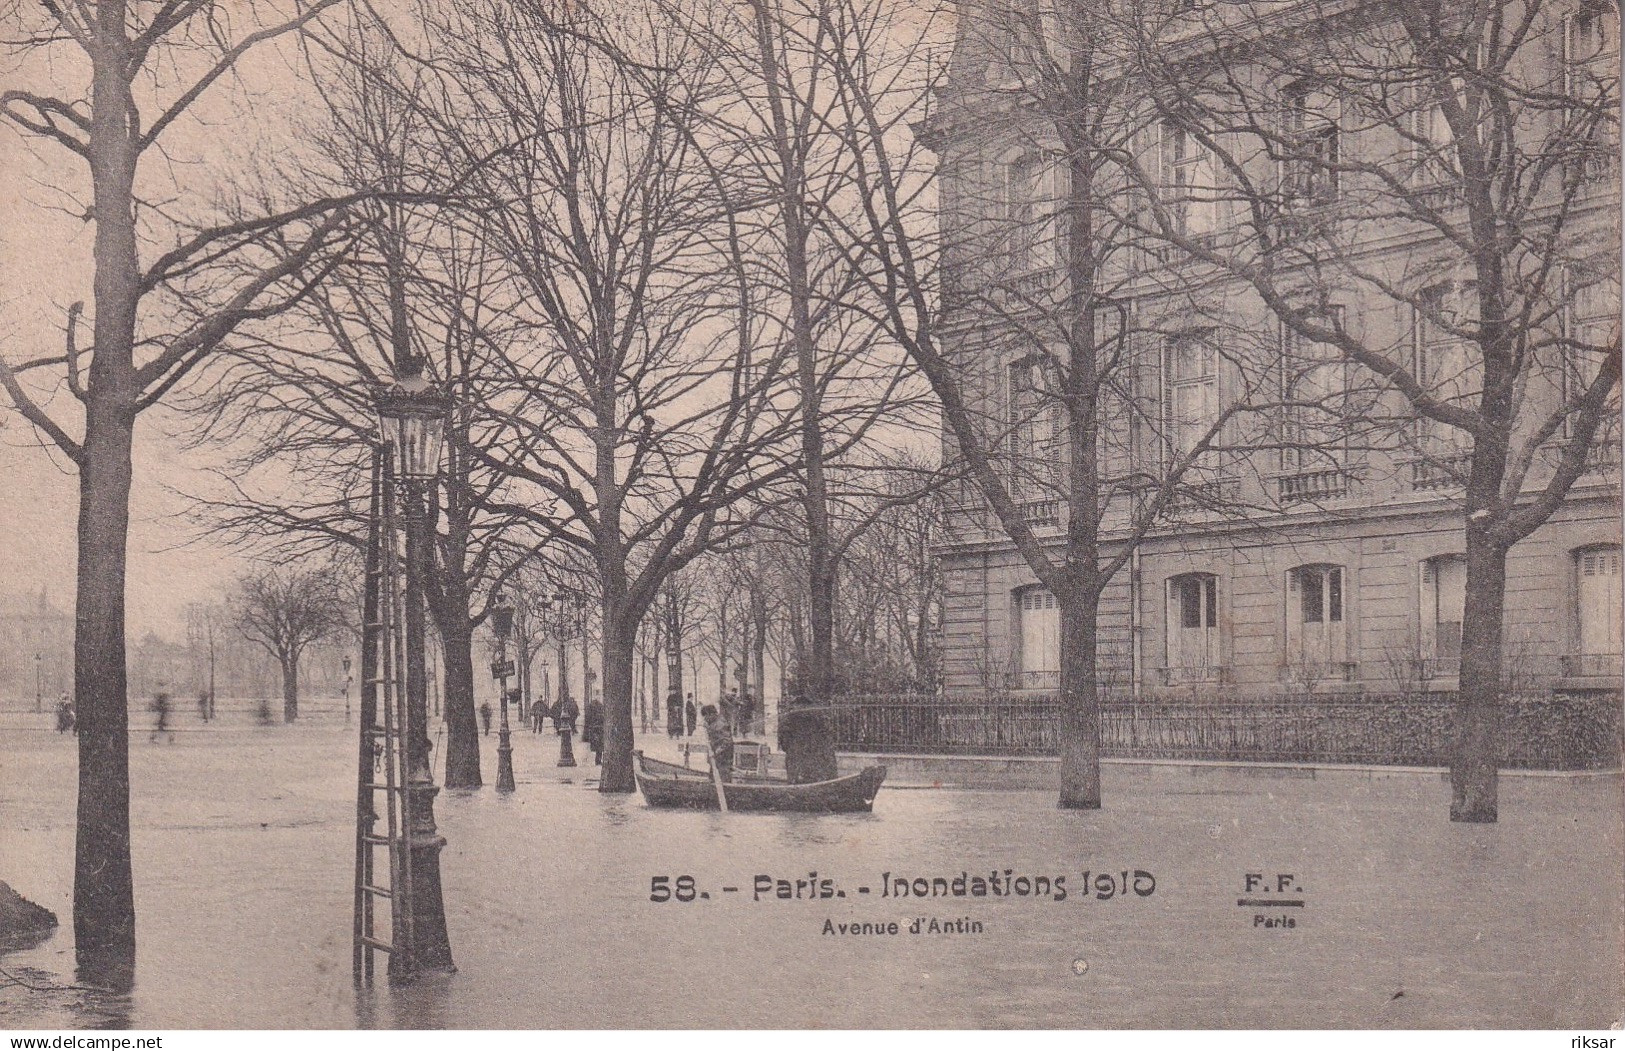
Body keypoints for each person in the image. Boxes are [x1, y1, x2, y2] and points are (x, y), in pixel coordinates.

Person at [700, 704, 733, 783]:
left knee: (722, 780)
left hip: (722, 758)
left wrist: (716, 752)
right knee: (714, 779)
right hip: (716, 758)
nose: (705, 719)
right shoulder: (714, 722)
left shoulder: (720, 724)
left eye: (706, 716)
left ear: (711, 714)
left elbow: (726, 741)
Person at [583, 698, 605, 765]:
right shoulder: (601, 714)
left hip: (594, 730)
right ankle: (598, 760)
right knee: (600, 747)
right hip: (599, 730)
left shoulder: (590, 712)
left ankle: (597, 760)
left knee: (598, 746)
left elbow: (587, 722)